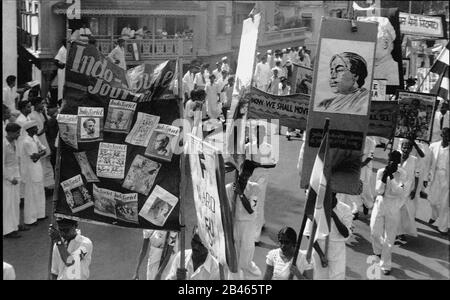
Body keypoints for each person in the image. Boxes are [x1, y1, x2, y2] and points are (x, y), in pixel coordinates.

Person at [370, 150, 406, 275]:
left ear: (399, 162)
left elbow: (398, 191)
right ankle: (379, 251)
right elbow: (379, 190)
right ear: (388, 160)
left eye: (396, 161)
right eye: (391, 160)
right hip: (380, 203)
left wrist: (391, 176)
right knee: (374, 231)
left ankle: (386, 264)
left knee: (389, 237)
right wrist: (385, 175)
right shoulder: (381, 172)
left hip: (393, 205)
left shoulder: (402, 174)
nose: (394, 163)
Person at [226, 160, 262, 280]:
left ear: (250, 175)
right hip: (235, 224)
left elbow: (251, 210)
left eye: (247, 175)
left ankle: (255, 278)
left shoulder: (255, 188)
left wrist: (240, 194)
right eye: (242, 174)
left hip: (248, 226)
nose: (244, 178)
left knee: (245, 259)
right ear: (238, 172)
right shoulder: (229, 188)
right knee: (234, 257)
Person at [305, 192, 353, 280]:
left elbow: (346, 233)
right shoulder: (317, 209)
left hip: (337, 249)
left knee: (337, 277)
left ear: (334, 195)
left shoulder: (345, 209)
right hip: (319, 246)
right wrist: (321, 255)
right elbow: (309, 234)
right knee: (319, 277)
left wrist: (334, 216)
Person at [245, 124, 277, 244]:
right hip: (250, 177)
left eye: (262, 133)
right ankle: (261, 221)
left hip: (262, 177)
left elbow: (273, 163)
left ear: (264, 135)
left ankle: (255, 236)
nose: (260, 135)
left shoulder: (268, 147)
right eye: (258, 133)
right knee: (252, 201)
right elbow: (246, 162)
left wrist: (260, 164)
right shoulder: (248, 147)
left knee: (257, 203)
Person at [21, 120, 47, 226]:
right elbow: (34, 157)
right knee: (32, 194)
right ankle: (31, 219)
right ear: (29, 130)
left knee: (40, 191)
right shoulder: (26, 141)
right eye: (35, 128)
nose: (37, 129)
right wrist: (40, 153)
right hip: (31, 170)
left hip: (37, 168)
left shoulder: (35, 138)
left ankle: (40, 214)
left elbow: (44, 150)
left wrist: (39, 153)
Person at [360, 16, 399, 86]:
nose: (365, 46)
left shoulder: (394, 70)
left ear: (385, 44)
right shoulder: (364, 66)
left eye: (370, 41)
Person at [396, 140, 420, 244]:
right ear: (401, 147)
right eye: (404, 147)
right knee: (395, 210)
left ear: (411, 149)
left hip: (408, 189)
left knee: (405, 212)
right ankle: (394, 233)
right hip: (395, 188)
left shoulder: (414, 160)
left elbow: (417, 175)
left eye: (408, 148)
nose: (405, 150)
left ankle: (401, 233)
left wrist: (414, 190)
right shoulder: (396, 156)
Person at [29, 97, 54, 190]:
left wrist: (43, 112)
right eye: (41, 103)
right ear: (36, 104)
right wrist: (44, 129)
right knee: (41, 163)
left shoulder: (41, 113)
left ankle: (48, 184)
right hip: (38, 141)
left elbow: (48, 122)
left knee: (46, 162)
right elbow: (37, 132)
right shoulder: (32, 115)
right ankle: (42, 185)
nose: (43, 105)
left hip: (44, 140)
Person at [427, 127, 449, 234]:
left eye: (449, 136)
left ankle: (443, 228)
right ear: (442, 135)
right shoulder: (433, 146)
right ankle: (434, 215)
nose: (447, 137)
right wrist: (426, 177)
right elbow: (428, 163)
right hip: (435, 175)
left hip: (447, 178)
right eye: (445, 135)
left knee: (444, 204)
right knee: (432, 200)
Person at [3, 123, 22, 238]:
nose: (19, 134)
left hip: (16, 176)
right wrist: (10, 178)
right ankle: (8, 230)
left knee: (15, 202)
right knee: (8, 204)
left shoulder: (14, 142)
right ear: (10, 132)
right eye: (17, 132)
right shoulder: (4, 144)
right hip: (7, 179)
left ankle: (15, 225)